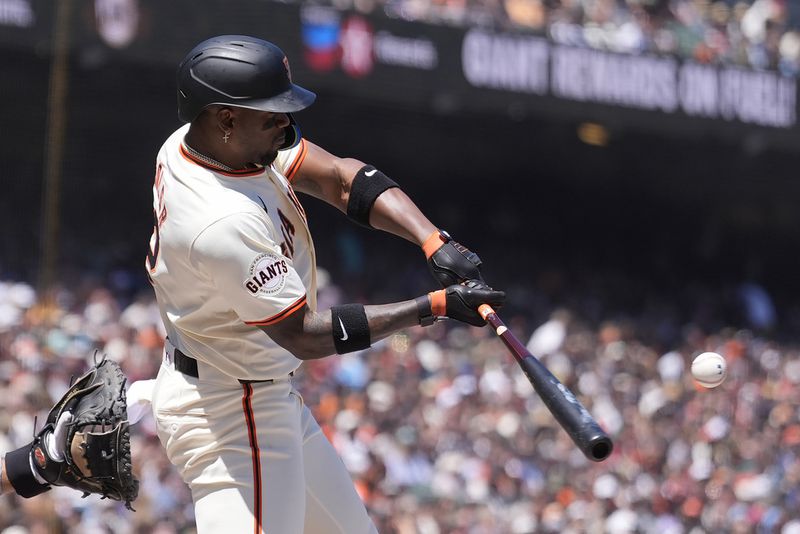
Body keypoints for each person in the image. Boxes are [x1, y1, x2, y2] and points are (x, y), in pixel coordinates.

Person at [146, 34, 504, 534]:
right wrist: (435, 306)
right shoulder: (222, 220)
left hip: (258, 394)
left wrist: (433, 242)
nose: (287, 124)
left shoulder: (204, 145)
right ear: (226, 118)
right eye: (272, 114)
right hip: (232, 415)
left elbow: (339, 178)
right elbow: (305, 335)